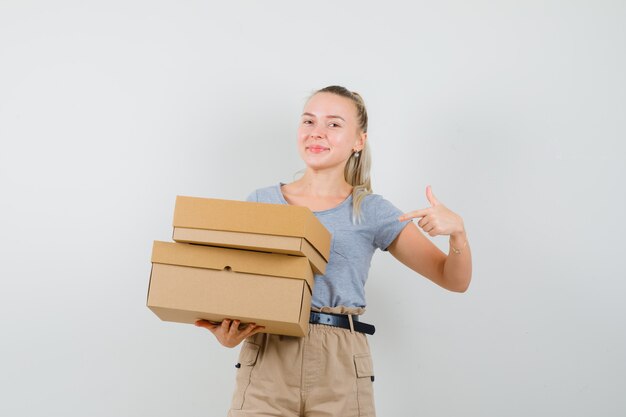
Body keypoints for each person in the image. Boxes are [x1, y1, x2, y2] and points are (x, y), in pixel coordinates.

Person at [194, 85, 472, 417]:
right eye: (309, 121)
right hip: (268, 356)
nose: (317, 133)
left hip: (340, 363)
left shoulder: (370, 210)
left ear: (359, 140)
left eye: (334, 124)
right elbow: (238, 290)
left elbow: (452, 279)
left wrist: (458, 235)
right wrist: (228, 334)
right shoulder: (261, 202)